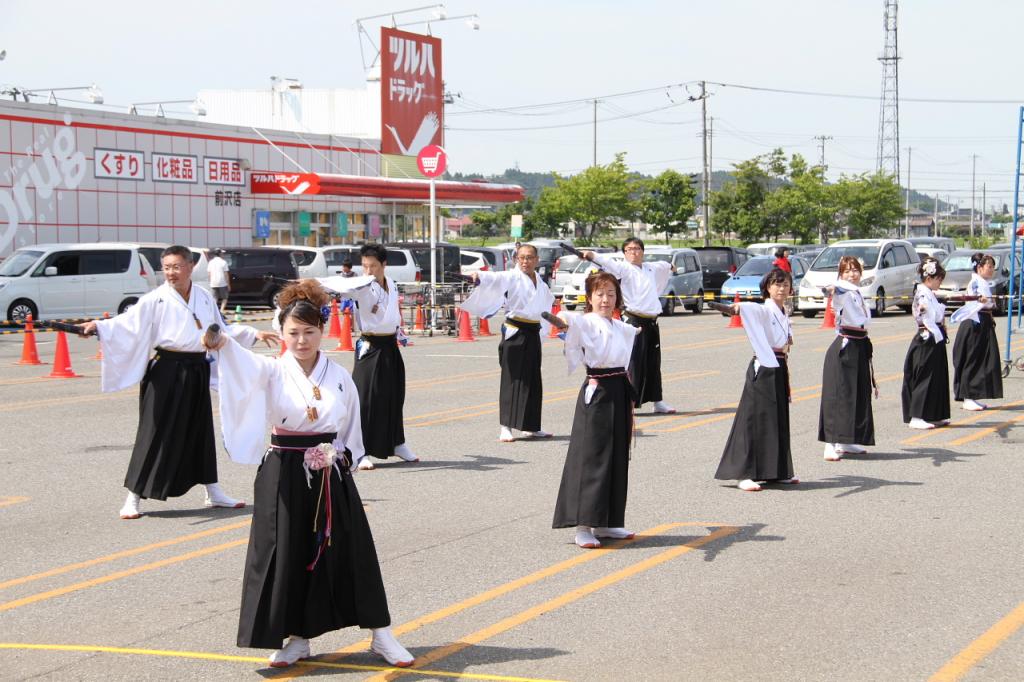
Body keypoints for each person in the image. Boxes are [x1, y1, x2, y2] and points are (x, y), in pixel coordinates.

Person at [205, 280, 413, 669]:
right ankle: (297, 637)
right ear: (281, 333)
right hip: (283, 469)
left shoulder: (338, 375)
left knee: (353, 552)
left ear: (322, 332)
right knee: (285, 554)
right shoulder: (270, 370)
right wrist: (222, 343)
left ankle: (381, 634)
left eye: (310, 332)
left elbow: (351, 425)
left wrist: (342, 457)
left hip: (329, 469)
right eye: (293, 333)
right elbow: (238, 360)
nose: (301, 341)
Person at [78, 245, 278, 519]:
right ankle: (133, 496)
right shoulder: (156, 299)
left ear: (190, 266)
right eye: (167, 267)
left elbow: (222, 328)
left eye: (176, 267)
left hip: (196, 368)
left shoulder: (205, 297)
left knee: (200, 430)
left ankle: (213, 490)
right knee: (154, 431)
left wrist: (255, 333)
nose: (170, 273)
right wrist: (98, 327)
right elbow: (127, 324)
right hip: (166, 370)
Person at [552, 271, 640, 548]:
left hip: (619, 391)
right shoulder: (586, 321)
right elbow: (571, 320)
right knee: (592, 457)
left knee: (615, 456)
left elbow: (633, 331)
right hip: (598, 392)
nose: (606, 299)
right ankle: (583, 524)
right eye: (600, 294)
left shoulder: (620, 326)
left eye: (611, 294)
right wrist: (563, 320)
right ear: (589, 298)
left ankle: (607, 521)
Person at [331, 244, 418, 469]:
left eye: (373, 266)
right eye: (365, 266)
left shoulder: (392, 284)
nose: (368, 270)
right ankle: (361, 450)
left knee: (394, 395)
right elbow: (342, 287)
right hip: (370, 345)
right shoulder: (360, 285)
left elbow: (393, 314)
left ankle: (397, 442)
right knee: (365, 399)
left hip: (390, 344)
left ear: (383, 265)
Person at [714, 268, 799, 492]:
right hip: (763, 368)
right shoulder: (765, 309)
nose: (781, 288)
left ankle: (776, 472)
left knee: (776, 419)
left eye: (785, 284)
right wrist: (738, 307)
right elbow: (752, 309)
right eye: (776, 284)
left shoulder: (783, 311)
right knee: (754, 419)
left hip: (779, 366)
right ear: (767, 288)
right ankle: (744, 472)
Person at [462, 243, 556, 442]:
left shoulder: (541, 282)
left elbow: (547, 305)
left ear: (536, 260)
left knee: (532, 379)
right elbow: (496, 277)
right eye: (521, 257)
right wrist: (479, 275)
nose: (525, 261)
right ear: (516, 260)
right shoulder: (512, 276)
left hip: (532, 332)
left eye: (529, 257)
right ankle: (505, 426)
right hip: (515, 331)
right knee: (511, 379)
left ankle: (532, 425)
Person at [582, 238, 676, 414]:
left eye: (637, 248)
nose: (634, 252)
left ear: (643, 251)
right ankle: (629, 401)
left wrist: (671, 267)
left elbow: (665, 264)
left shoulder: (651, 268)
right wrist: (591, 254)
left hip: (652, 321)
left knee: (653, 362)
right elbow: (607, 262)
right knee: (633, 362)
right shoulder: (624, 268)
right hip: (634, 320)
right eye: (630, 249)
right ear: (624, 253)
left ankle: (657, 400)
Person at [818, 256, 876, 462]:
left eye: (855, 270)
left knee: (858, 393)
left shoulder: (858, 292)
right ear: (841, 274)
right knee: (839, 395)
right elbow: (832, 290)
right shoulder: (842, 290)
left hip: (859, 345)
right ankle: (830, 443)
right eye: (847, 271)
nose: (852, 274)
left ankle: (847, 439)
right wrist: (830, 290)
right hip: (846, 345)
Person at [902, 258, 951, 430]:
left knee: (937, 377)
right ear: (929, 278)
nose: (940, 282)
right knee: (924, 376)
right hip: (926, 337)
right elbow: (921, 310)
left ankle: (934, 414)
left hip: (934, 336)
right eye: (939, 279)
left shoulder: (929, 293)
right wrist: (922, 308)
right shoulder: (922, 293)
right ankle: (917, 415)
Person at [951, 252, 1003, 411]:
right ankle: (968, 396)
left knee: (980, 360)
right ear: (979, 267)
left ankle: (972, 395)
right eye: (989, 266)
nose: (992, 269)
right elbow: (981, 302)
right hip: (976, 323)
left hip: (982, 322)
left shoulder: (982, 282)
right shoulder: (976, 282)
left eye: (993, 266)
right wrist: (988, 303)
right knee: (972, 359)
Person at [207, 249, 231, 313]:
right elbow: (226, 274)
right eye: (222, 253)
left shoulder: (211, 262)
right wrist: (228, 284)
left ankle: (214, 311)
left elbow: (209, 274)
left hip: (213, 283)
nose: (223, 255)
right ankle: (221, 310)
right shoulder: (223, 262)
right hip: (222, 282)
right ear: (220, 254)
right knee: (225, 297)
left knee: (215, 298)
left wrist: (210, 282)